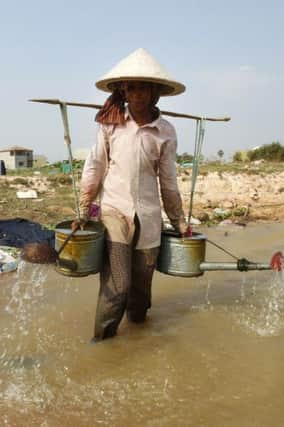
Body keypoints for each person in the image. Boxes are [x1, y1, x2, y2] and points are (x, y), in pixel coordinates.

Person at [74, 48, 188, 341]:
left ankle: (137, 339)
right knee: (118, 285)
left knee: (140, 294)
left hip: (149, 217)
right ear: (123, 91)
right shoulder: (110, 124)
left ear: (155, 93)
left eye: (143, 88)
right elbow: (95, 166)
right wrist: (84, 209)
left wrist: (179, 221)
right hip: (114, 212)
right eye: (132, 87)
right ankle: (101, 342)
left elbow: (169, 181)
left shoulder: (165, 131)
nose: (136, 94)